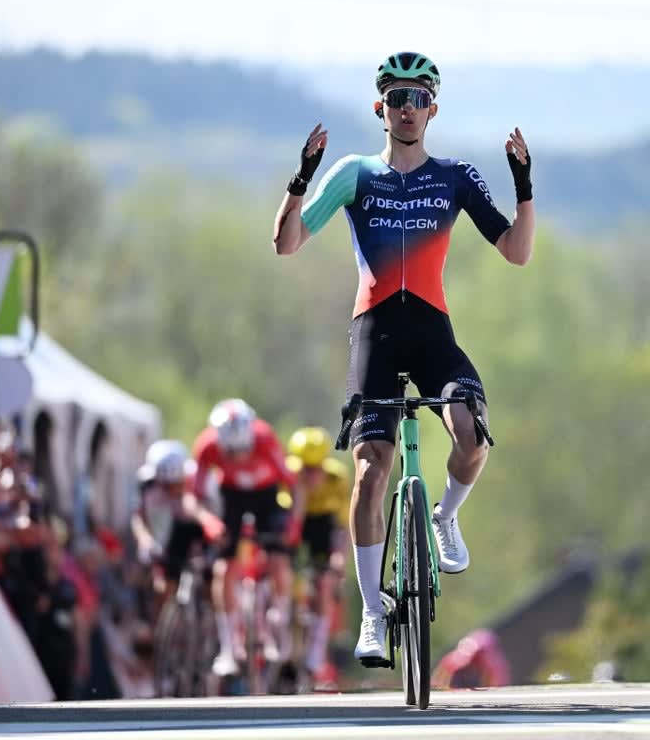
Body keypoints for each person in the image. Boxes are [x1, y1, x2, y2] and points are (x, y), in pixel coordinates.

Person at [271, 51, 535, 663]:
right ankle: (372, 611)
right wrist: (301, 178)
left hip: (432, 333)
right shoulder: (355, 172)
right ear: (380, 107)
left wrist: (523, 186)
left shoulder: (455, 176)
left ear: (433, 108)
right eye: (396, 97)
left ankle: (443, 515)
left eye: (419, 97)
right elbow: (286, 244)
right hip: (376, 333)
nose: (407, 108)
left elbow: (516, 253)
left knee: (470, 433)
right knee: (370, 468)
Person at [193, 398, 304, 676]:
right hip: (231, 497)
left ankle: (278, 616)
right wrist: (209, 521)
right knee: (224, 569)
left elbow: (295, 487)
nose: (239, 458)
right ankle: (229, 648)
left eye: (244, 450)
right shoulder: (206, 446)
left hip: (266, 496)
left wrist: (294, 524)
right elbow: (193, 497)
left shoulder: (265, 439)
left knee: (278, 559)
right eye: (231, 453)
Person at [130, 439, 224, 622]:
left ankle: (213, 624)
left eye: (176, 484)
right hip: (173, 532)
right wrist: (145, 540)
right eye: (166, 485)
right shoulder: (146, 485)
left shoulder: (200, 479)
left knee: (212, 577)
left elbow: (207, 512)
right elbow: (139, 517)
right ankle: (163, 629)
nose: (172, 490)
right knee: (163, 583)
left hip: (201, 528)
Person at [285, 426, 351, 683]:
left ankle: (316, 650)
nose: (310, 475)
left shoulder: (337, 478)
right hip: (296, 521)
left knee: (325, 582)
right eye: (305, 469)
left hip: (323, 524)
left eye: (315, 469)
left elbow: (343, 525)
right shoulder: (288, 474)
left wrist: (339, 558)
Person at [432, 628, 511, 689]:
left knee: (495, 673)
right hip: (475, 645)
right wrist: (437, 682)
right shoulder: (467, 650)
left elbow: (495, 674)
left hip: (483, 647)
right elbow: (449, 663)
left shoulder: (487, 656)